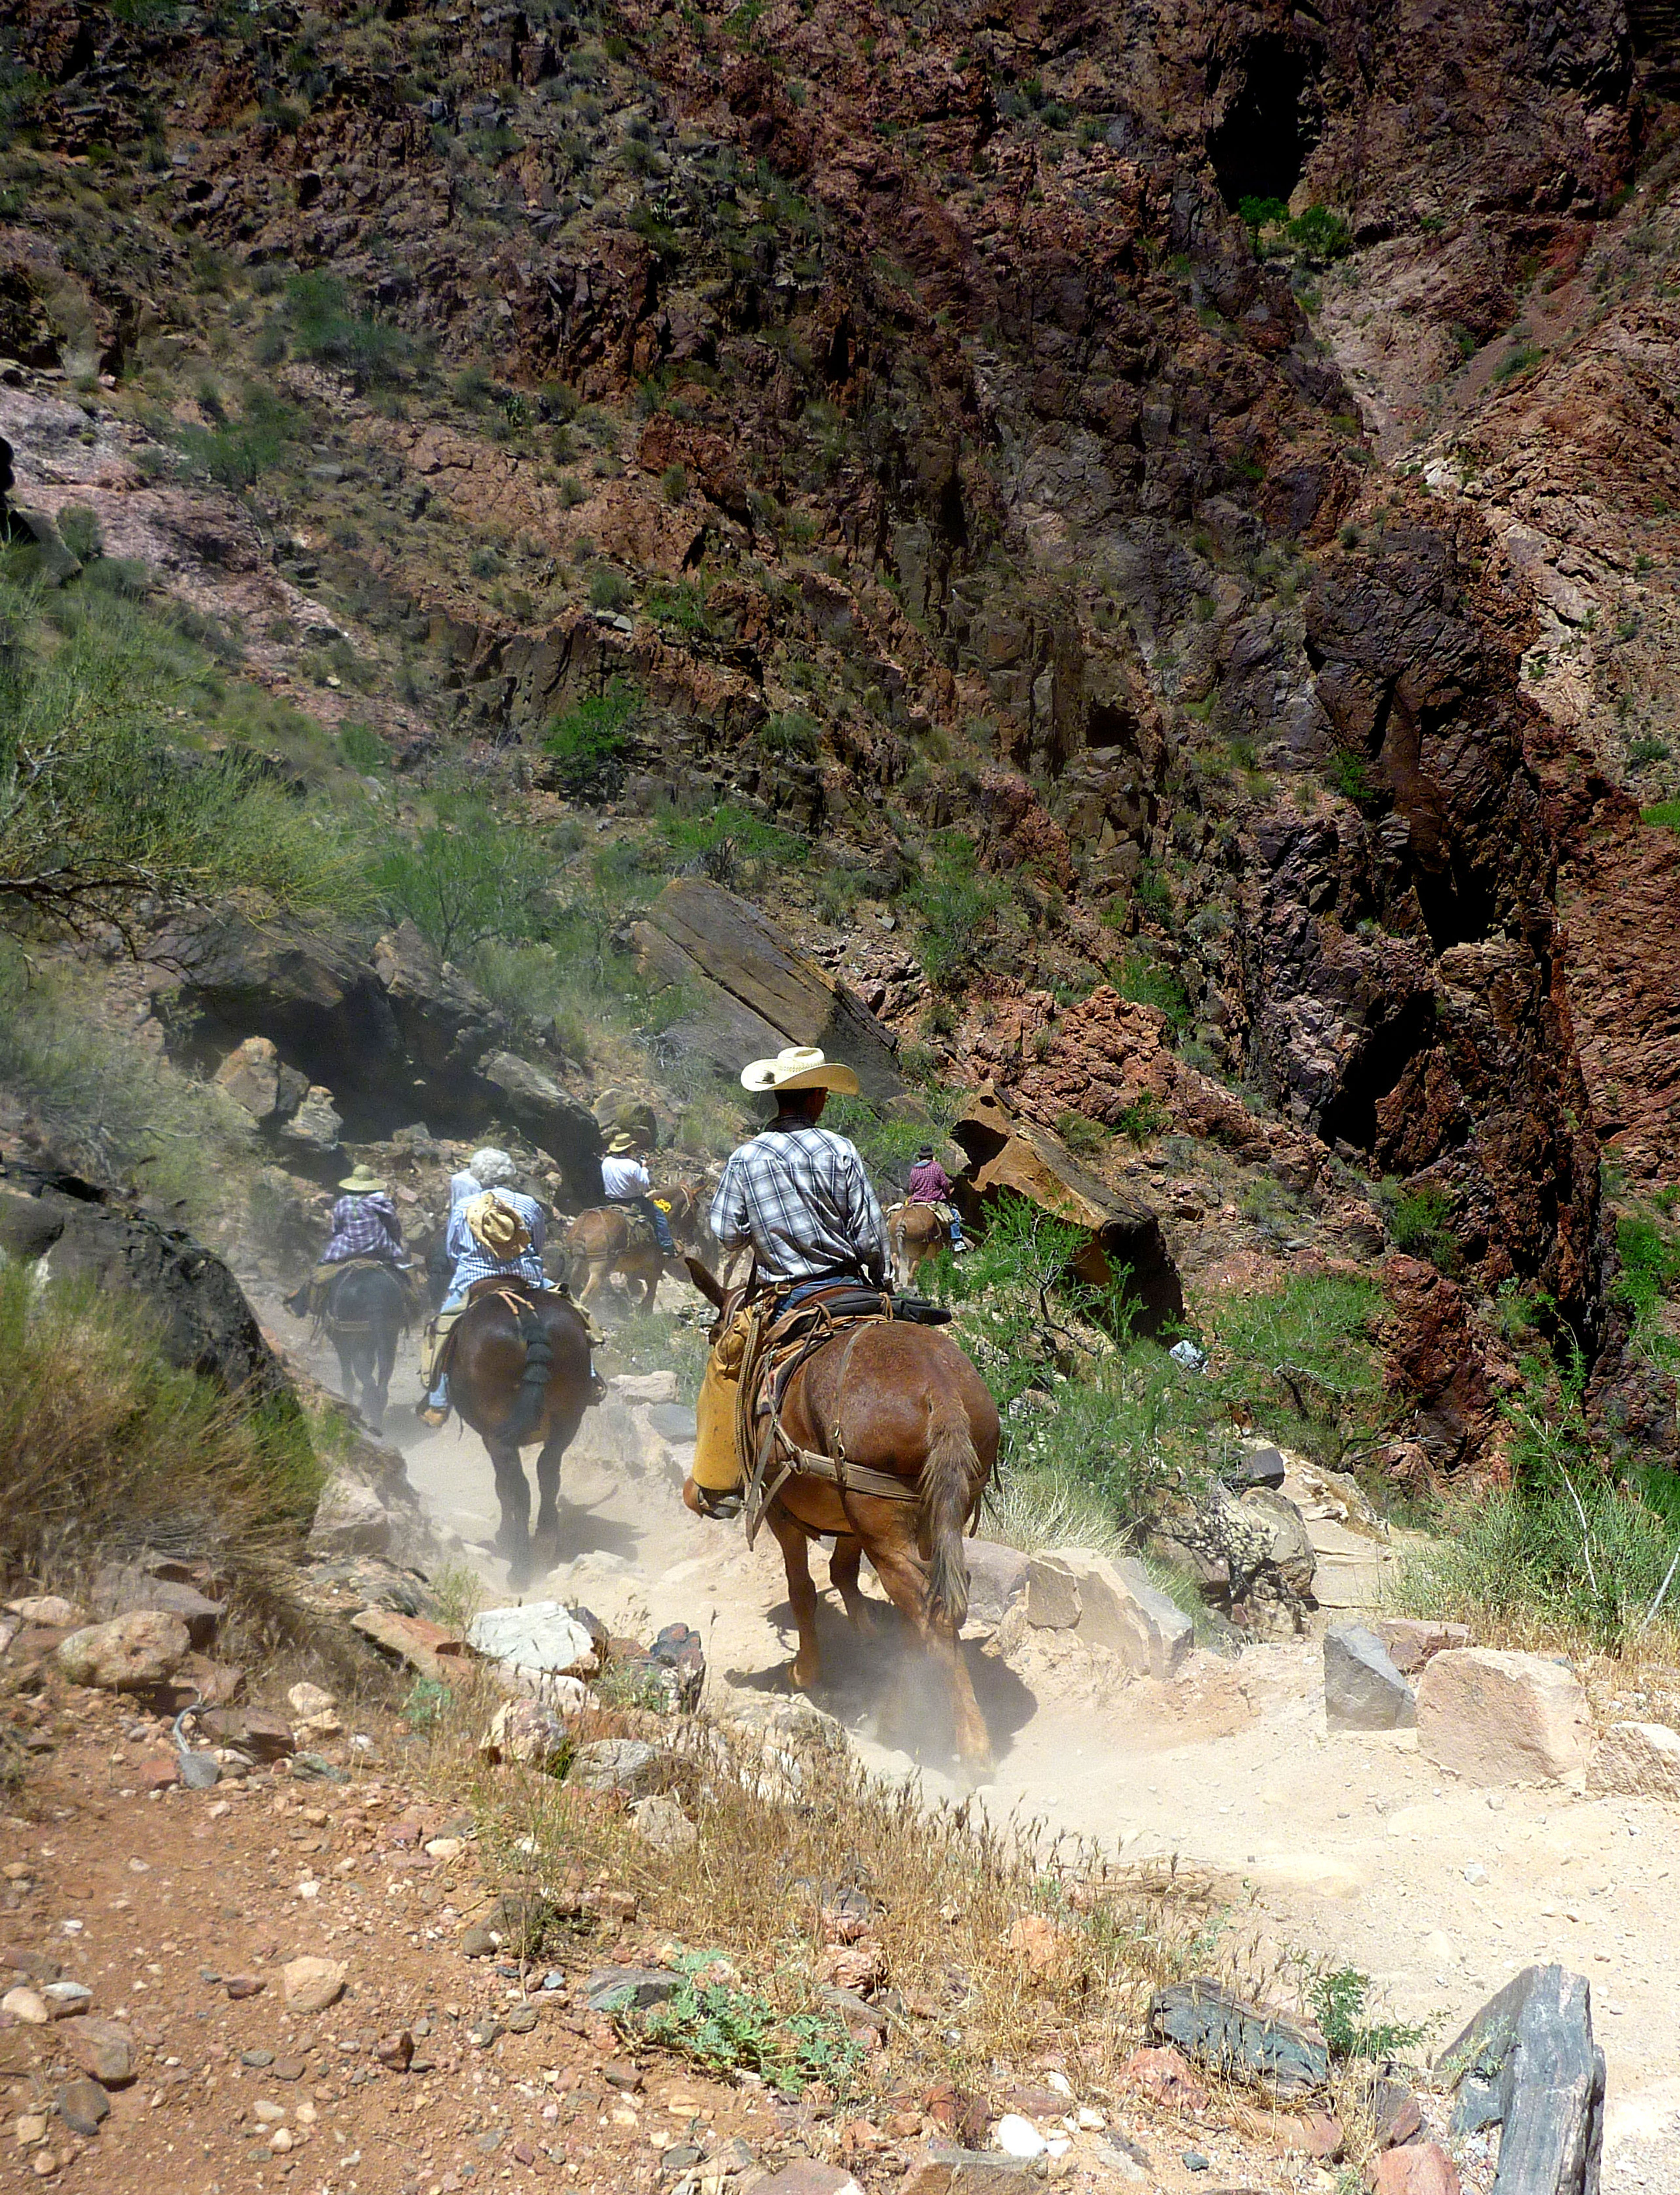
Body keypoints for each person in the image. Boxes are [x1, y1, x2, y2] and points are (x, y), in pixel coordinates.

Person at [686, 1045, 888, 1519]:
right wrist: (881, 1282)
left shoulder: (746, 1157)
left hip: (788, 1296)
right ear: (818, 1096)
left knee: (728, 1369)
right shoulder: (840, 1148)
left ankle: (720, 1484)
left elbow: (726, 1235)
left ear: (778, 1096)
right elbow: (871, 1234)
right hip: (853, 1286)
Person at [418, 1169, 549, 1426]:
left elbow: (453, 1252)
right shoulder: (528, 1203)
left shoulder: (463, 1207)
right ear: (511, 1174)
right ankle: (589, 1378)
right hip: (526, 1281)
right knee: (575, 1311)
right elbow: (539, 1243)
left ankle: (438, 1404)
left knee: (441, 1330)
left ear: (479, 1177)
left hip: (475, 1283)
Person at [287, 1164, 411, 1318]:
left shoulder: (343, 1204)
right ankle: (414, 1310)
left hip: (347, 1251)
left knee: (318, 1272)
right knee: (406, 1278)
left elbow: (336, 1230)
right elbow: (395, 1229)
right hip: (380, 1251)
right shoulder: (384, 1204)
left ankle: (299, 1306)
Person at [600, 1129, 676, 1255]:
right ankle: (667, 1246)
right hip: (633, 1201)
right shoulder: (633, 1165)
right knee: (660, 1216)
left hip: (610, 1200)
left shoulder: (606, 1162)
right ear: (629, 1149)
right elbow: (644, 1186)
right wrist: (644, 1168)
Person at [906, 1143, 965, 1252]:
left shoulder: (915, 1169)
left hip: (917, 1201)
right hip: (934, 1200)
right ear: (931, 1156)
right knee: (954, 1217)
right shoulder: (936, 1166)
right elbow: (945, 1184)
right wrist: (947, 1197)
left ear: (920, 1157)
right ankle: (958, 1241)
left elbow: (911, 1188)